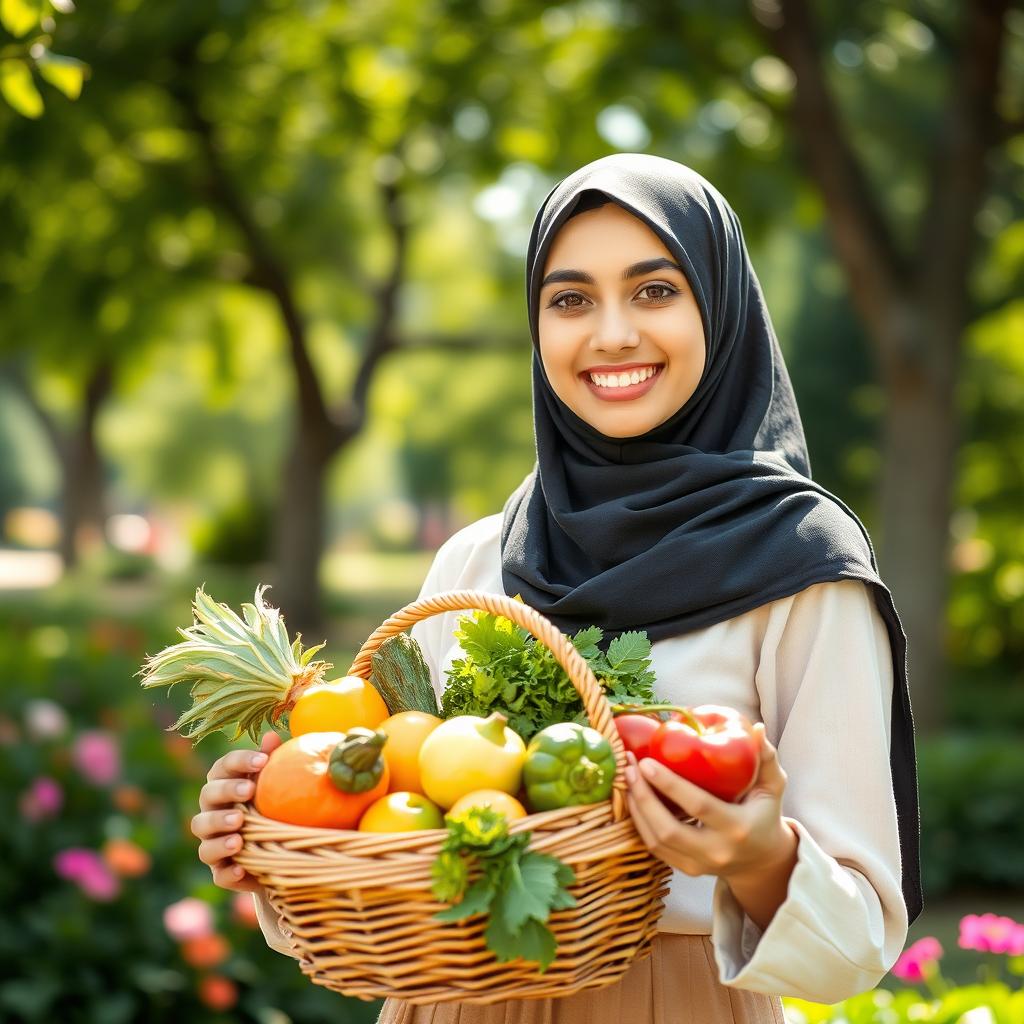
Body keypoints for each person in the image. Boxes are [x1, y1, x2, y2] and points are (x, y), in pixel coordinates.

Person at [191, 154, 922, 1023]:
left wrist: (762, 860)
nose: (611, 334)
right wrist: (271, 837)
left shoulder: (802, 563)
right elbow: (393, 840)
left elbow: (859, 944)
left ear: (720, 308)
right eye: (570, 299)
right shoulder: (478, 560)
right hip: (450, 1003)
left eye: (655, 291)